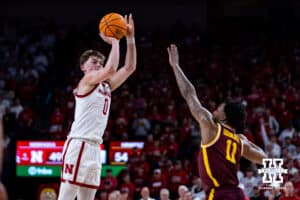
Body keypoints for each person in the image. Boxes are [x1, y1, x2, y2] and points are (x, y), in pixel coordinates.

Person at [167, 44, 267, 200]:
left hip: (219, 194)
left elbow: (189, 94)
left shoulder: (211, 128)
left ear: (225, 117)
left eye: (218, 109)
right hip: (238, 194)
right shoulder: (240, 141)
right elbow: (263, 157)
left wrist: (176, 67)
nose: (214, 111)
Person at [58, 14, 136, 200]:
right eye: (94, 62)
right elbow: (110, 69)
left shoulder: (106, 86)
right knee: (67, 196)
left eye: (100, 63)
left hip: (94, 148)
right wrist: (116, 41)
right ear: (83, 67)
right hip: (79, 143)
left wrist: (130, 38)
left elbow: (129, 67)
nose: (98, 65)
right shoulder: (86, 80)